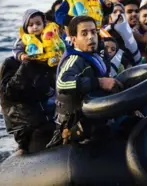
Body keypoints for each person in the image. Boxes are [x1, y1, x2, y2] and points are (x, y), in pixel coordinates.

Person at [47, 16, 122, 147]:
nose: (90, 37)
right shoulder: (74, 59)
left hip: (96, 115)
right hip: (74, 125)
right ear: (74, 39)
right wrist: (99, 82)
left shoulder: (96, 55)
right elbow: (62, 83)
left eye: (93, 32)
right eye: (84, 33)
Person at [0, 56, 56, 153]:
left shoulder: (45, 62)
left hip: (49, 121)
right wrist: (27, 64)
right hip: (27, 126)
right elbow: (9, 93)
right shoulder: (11, 64)